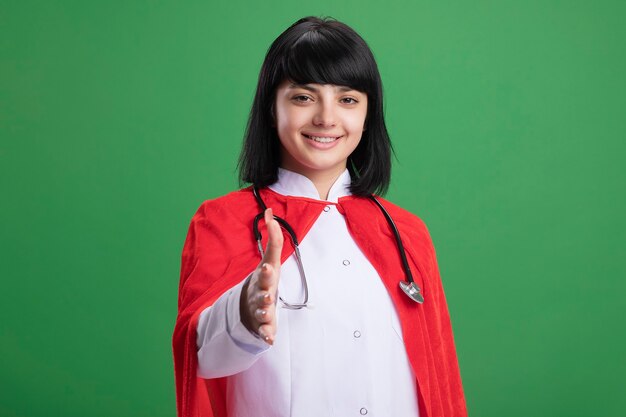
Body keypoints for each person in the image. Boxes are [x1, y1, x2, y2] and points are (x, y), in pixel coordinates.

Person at [173, 16, 467, 417]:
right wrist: (246, 308)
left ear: (368, 114)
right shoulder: (222, 220)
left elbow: (438, 378)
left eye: (348, 99)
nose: (327, 118)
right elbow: (201, 356)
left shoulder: (406, 231)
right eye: (303, 97)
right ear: (271, 107)